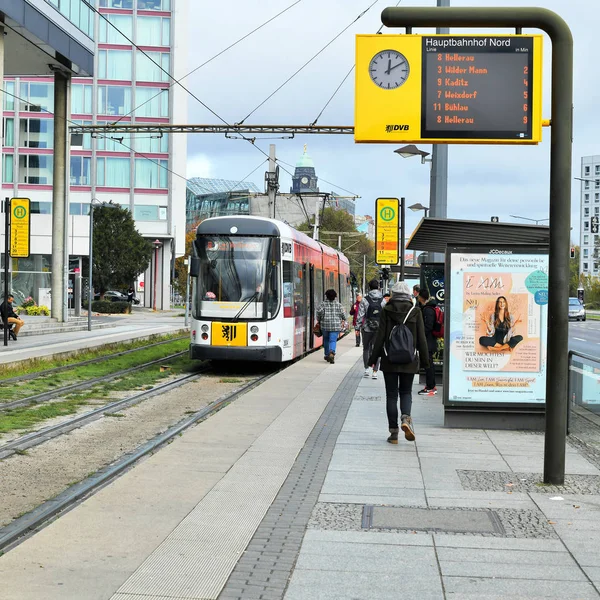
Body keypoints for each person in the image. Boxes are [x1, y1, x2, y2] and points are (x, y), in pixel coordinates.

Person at [369, 281, 429, 443]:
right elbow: (421, 339)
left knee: (391, 395)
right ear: (409, 295)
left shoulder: (386, 311)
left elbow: (380, 336)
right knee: (406, 392)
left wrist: (373, 359)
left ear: (393, 295)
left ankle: (393, 433)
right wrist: (425, 361)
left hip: (389, 359)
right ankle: (405, 418)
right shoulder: (415, 311)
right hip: (410, 359)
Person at [357, 279, 384, 379]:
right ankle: (375, 371)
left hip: (367, 328)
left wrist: (357, 326)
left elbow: (360, 315)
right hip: (379, 329)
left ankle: (366, 369)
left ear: (369, 287)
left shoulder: (365, 300)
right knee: (376, 349)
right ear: (378, 287)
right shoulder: (383, 301)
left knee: (366, 348)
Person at [416, 289, 438, 396]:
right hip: (429, 341)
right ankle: (430, 385)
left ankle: (431, 387)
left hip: (428, 341)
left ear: (421, 297)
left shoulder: (428, 310)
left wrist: (420, 334)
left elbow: (428, 326)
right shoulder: (428, 308)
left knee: (428, 364)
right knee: (428, 364)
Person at [316, 289, 347, 364]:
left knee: (326, 340)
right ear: (335, 296)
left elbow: (318, 314)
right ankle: (332, 353)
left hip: (325, 326)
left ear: (326, 296)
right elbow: (344, 315)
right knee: (333, 340)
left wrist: (319, 320)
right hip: (335, 326)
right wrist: (343, 319)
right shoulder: (339, 305)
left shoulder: (322, 305)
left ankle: (327, 354)